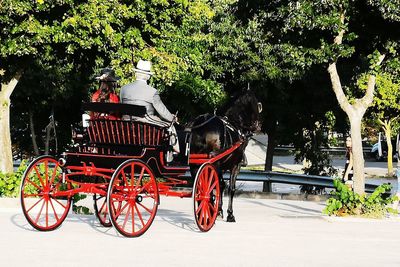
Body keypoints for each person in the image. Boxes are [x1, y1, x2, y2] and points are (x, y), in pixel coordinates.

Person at [120, 60, 179, 155]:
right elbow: (163, 112)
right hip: (145, 124)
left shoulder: (124, 89)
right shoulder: (152, 92)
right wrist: (173, 118)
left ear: (136, 73)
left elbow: (122, 106)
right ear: (148, 76)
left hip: (126, 124)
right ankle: (175, 150)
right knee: (170, 124)